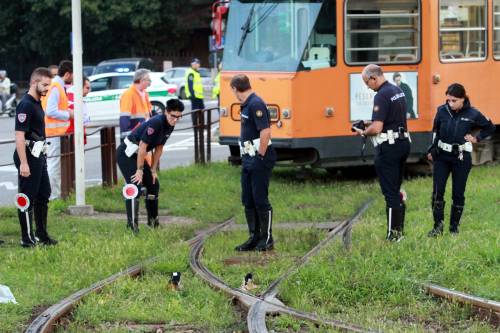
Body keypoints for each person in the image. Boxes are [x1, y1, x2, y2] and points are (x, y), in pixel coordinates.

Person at [427, 83, 495, 236]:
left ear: (463, 99)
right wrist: (431, 149)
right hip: (442, 157)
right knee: (438, 192)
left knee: (458, 193)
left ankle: (454, 229)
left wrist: (477, 138)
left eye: (454, 100)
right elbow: (435, 131)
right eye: (448, 100)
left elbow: (490, 127)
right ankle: (438, 227)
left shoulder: (473, 113)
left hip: (461, 158)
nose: (450, 104)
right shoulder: (442, 111)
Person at [354, 64, 411, 242]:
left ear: (374, 78)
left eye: (367, 82)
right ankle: (399, 232)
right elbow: (389, 119)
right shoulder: (396, 90)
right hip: (403, 143)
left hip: (389, 148)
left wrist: (363, 131)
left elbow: (377, 128)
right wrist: (367, 121)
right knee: (396, 189)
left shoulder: (381, 95)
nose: (367, 86)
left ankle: (394, 236)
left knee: (390, 192)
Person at [117, 99, 184, 233]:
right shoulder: (156, 122)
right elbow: (143, 146)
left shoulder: (170, 125)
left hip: (137, 155)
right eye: (173, 116)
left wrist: (153, 170)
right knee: (135, 185)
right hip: (126, 154)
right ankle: (132, 227)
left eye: (179, 116)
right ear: (166, 112)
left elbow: (159, 147)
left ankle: (153, 223)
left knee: (153, 185)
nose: (175, 119)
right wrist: (140, 170)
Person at [231, 74, 277, 252]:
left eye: (233, 90)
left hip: (259, 157)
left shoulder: (255, 104)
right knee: (248, 199)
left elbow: (265, 131)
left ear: (235, 89)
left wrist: (260, 156)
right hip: (248, 157)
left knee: (260, 199)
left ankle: (266, 238)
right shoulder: (247, 104)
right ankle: (254, 236)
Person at [13, 67, 57, 247]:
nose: (47, 88)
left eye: (49, 85)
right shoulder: (26, 104)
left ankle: (41, 234)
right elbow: (19, 135)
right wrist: (24, 163)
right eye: (45, 84)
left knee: (44, 193)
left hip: (38, 154)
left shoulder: (38, 102)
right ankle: (27, 238)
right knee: (27, 197)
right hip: (28, 156)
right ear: (34, 82)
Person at [41, 60, 74, 200]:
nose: (73, 79)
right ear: (67, 74)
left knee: (54, 165)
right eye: (73, 75)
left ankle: (55, 194)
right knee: (53, 165)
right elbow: (50, 111)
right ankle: (52, 196)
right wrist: (69, 115)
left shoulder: (57, 86)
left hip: (54, 133)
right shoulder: (56, 87)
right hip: (53, 134)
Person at [119, 69, 152, 142]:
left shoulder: (144, 93)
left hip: (142, 132)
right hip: (134, 134)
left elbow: (148, 112)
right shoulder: (129, 94)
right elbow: (124, 117)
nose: (149, 82)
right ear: (141, 80)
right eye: (148, 80)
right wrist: (126, 137)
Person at [185, 58, 205, 142]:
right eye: (196, 64)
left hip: (199, 96)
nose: (198, 65)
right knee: (195, 112)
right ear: (192, 64)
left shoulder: (196, 72)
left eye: (198, 63)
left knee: (201, 111)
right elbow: (190, 85)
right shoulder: (191, 73)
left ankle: (201, 125)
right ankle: (195, 126)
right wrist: (192, 95)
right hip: (195, 96)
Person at [66, 76, 91, 142]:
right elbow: (83, 119)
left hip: (74, 135)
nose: (89, 91)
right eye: (87, 88)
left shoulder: (71, 95)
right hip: (74, 136)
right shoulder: (74, 98)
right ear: (80, 87)